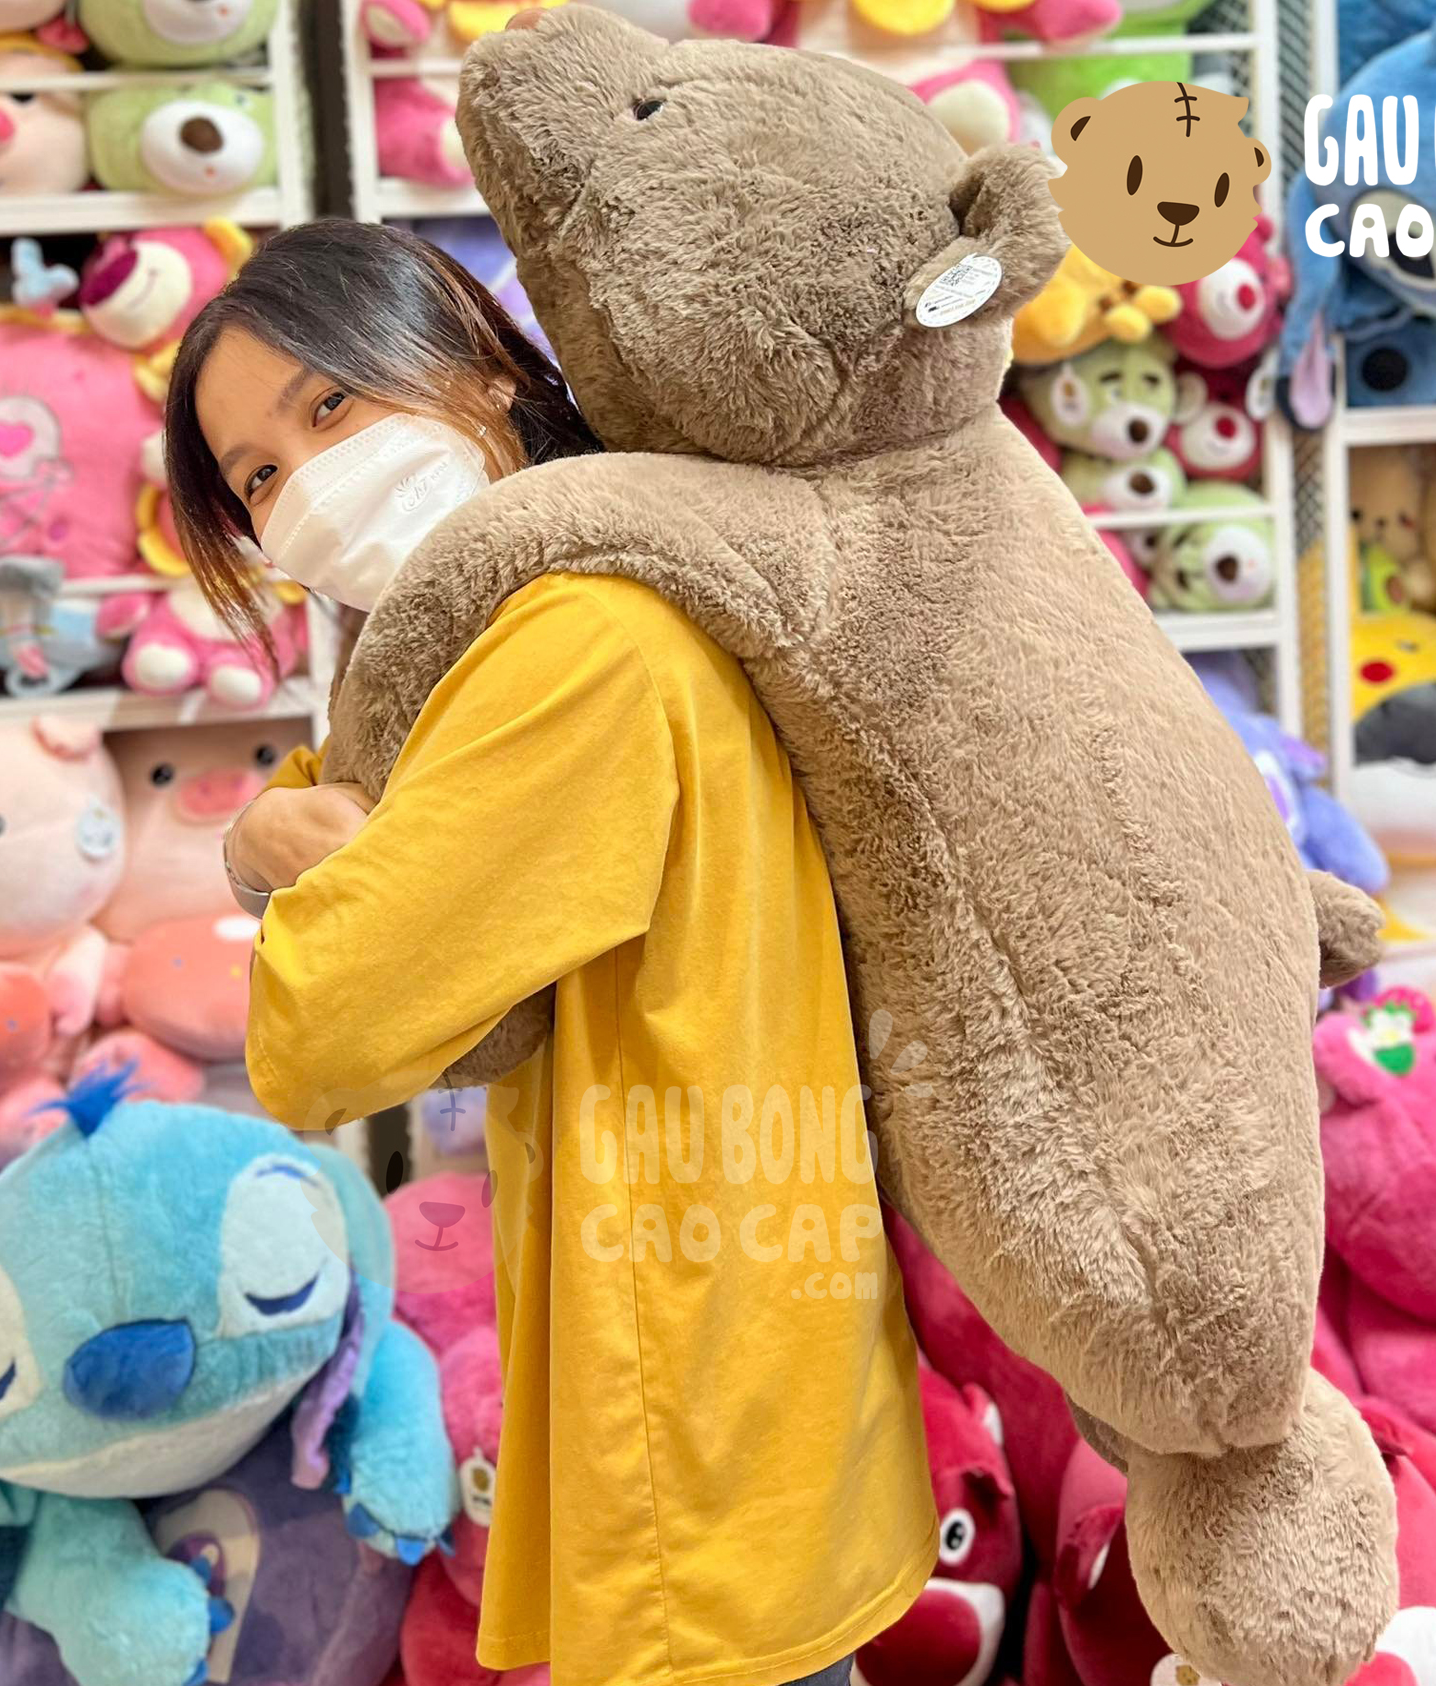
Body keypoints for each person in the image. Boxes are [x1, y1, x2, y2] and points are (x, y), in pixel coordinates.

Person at [165, 219, 936, 1686]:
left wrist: (268, 861)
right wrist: (265, 835)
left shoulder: (572, 640)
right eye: (258, 476)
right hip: (744, 1351)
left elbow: (326, 1030)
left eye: (331, 402)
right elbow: (366, 813)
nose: (308, 480)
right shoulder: (564, 609)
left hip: (692, 1405)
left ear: (475, 365)